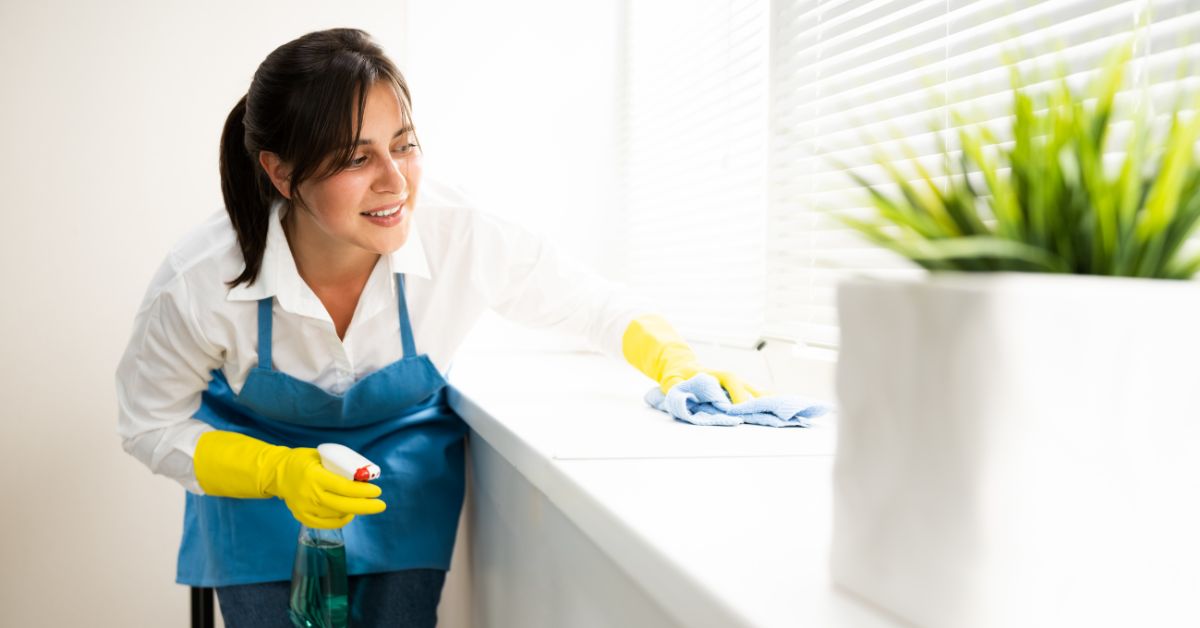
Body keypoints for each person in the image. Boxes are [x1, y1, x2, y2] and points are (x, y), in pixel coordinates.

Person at [115, 27, 763, 628]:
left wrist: (676, 363)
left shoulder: (459, 236)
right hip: (257, 487)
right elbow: (148, 420)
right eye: (354, 157)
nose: (394, 181)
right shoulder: (203, 278)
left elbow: (592, 303)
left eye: (404, 145)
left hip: (401, 474)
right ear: (281, 171)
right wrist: (275, 472)